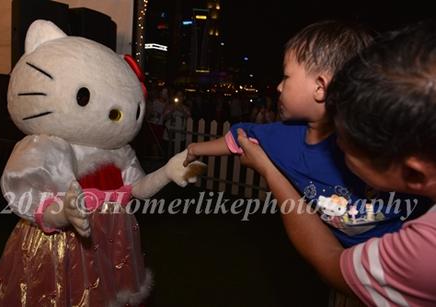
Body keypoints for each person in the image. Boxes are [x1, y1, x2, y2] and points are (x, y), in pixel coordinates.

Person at [237, 20, 436, 305]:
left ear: (414, 174)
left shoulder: (426, 253)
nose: (335, 144)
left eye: (345, 139)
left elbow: (333, 265)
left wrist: (270, 171)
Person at [184, 20, 424, 248]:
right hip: (342, 262)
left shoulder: (376, 148)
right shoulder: (281, 137)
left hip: (393, 265)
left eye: (286, 77)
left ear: (320, 87)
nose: (278, 86)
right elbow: (239, 139)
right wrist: (195, 149)